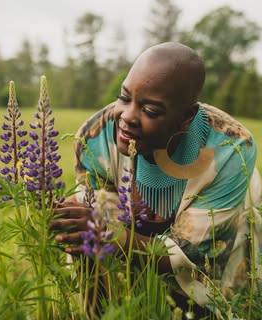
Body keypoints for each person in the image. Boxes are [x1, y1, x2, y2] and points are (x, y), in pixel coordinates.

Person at [52, 42, 262, 317]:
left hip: (223, 239)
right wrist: (81, 223)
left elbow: (193, 256)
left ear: (186, 117)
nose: (126, 117)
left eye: (150, 111)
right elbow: (98, 228)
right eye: (124, 98)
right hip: (135, 238)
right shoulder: (96, 136)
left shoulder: (230, 148)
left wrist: (110, 232)